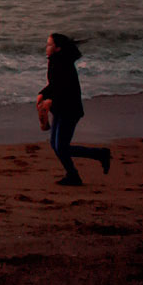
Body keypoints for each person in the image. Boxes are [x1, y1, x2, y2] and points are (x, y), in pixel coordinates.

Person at [39, 33, 112, 186]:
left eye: (49, 45)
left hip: (70, 110)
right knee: (56, 145)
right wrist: (43, 94)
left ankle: (97, 156)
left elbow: (65, 89)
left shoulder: (64, 64)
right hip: (60, 109)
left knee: (61, 146)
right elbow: (54, 85)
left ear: (58, 48)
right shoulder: (54, 62)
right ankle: (74, 174)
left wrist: (50, 100)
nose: (46, 48)